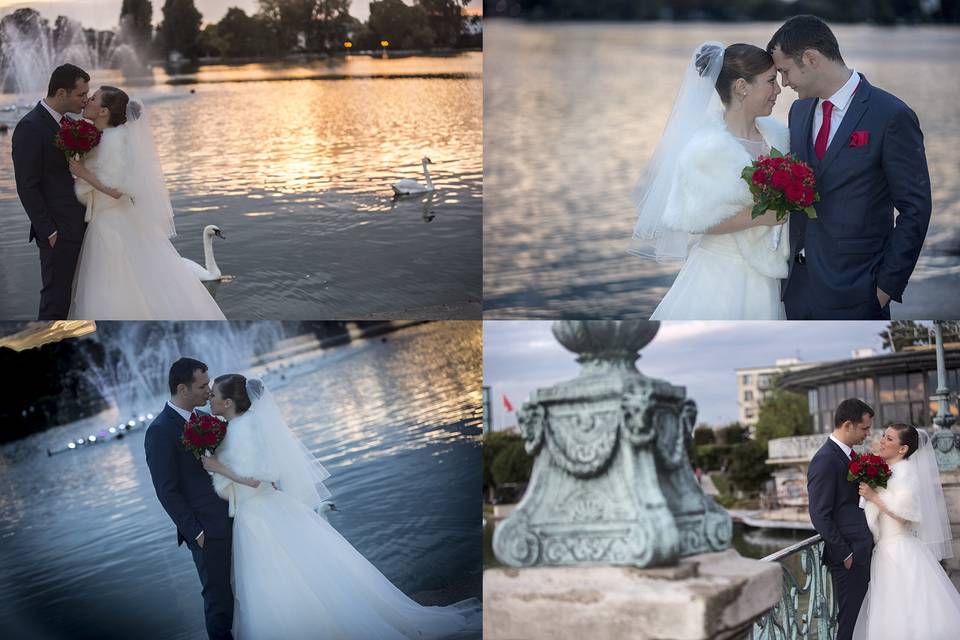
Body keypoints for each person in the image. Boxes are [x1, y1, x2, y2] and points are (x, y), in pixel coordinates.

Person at [201, 374, 480, 639]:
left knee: (274, 582)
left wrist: (216, 467)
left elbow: (254, 479)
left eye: (213, 395)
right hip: (264, 510)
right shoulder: (243, 425)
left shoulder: (242, 429)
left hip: (260, 515)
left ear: (228, 403)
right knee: (303, 574)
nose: (209, 399)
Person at [768, 15, 931, 319]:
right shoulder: (799, 111)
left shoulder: (891, 115)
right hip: (797, 292)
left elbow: (915, 209)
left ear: (811, 59)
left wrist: (885, 288)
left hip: (859, 291)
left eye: (785, 71)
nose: (784, 83)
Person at [630, 43, 790, 319]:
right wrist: (764, 215)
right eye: (771, 81)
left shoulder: (778, 136)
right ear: (742, 86)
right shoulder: (705, 148)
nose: (778, 90)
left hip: (770, 272)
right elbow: (695, 221)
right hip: (721, 276)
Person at [64, 85, 226, 319]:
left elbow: (117, 189)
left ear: (104, 111)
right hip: (109, 218)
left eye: (94, 98)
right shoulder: (103, 137)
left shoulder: (113, 141)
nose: (88, 100)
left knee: (112, 286)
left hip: (111, 223)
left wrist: (82, 172)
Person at [853, 424, 960, 639]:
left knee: (907, 608)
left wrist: (874, 497)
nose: (882, 441)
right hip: (884, 550)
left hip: (899, 550)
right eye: (884, 436)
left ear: (903, 449)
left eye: (890, 439)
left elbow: (905, 513)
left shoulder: (906, 473)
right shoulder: (887, 471)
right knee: (890, 607)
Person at [11, 63, 90, 320]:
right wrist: (50, 231)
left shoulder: (67, 123)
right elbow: (27, 185)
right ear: (61, 93)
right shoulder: (30, 127)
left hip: (80, 225)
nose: (85, 100)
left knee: (77, 299)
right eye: (81, 95)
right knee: (55, 304)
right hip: (58, 233)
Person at [806, 398, 875, 640]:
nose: (868, 434)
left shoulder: (850, 456)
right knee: (849, 623)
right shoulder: (825, 459)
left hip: (864, 550)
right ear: (848, 425)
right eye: (865, 428)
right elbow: (819, 514)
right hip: (850, 557)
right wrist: (845, 554)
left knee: (863, 619)